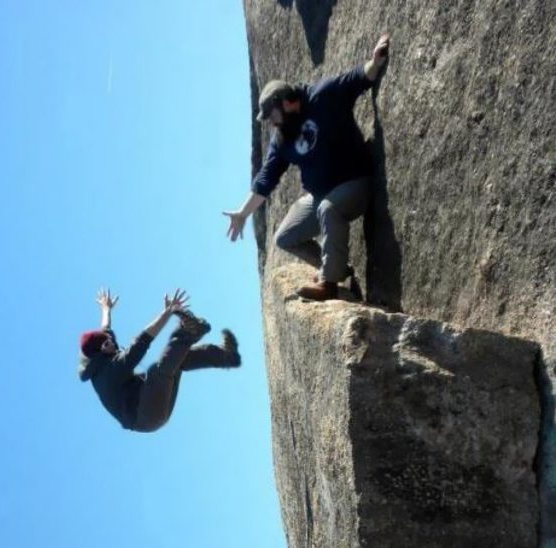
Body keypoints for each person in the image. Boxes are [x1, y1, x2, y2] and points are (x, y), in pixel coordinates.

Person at [223, 34, 390, 301]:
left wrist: (375, 62)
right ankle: (340, 270)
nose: (272, 124)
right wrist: (243, 214)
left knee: (328, 208)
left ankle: (329, 283)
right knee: (285, 236)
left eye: (273, 116)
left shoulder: (322, 97)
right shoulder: (282, 139)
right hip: (319, 194)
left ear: (287, 102)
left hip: (354, 183)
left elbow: (356, 80)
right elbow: (266, 179)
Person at [78, 288, 241, 432]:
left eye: (109, 339)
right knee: (157, 371)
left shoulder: (102, 350)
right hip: (145, 415)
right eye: (108, 344)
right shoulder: (111, 371)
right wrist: (168, 312)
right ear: (100, 352)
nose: (113, 343)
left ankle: (227, 356)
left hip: (148, 403)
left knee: (177, 361)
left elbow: (105, 329)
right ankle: (190, 331)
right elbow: (142, 340)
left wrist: (106, 309)